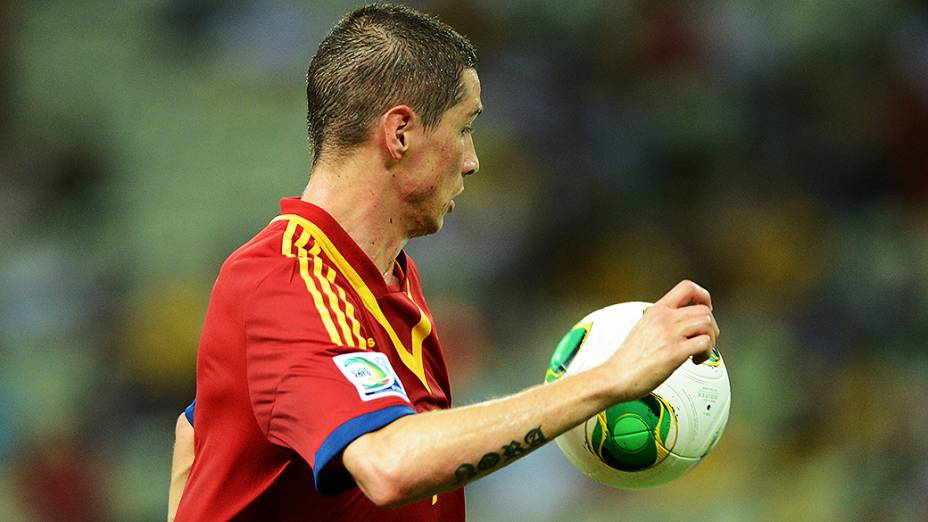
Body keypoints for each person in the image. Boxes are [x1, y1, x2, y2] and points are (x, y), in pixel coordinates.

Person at [169, 4, 720, 521]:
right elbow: (388, 466)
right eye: (464, 127)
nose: (474, 160)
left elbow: (198, 434)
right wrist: (609, 380)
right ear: (400, 132)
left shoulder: (389, 278)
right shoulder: (287, 280)